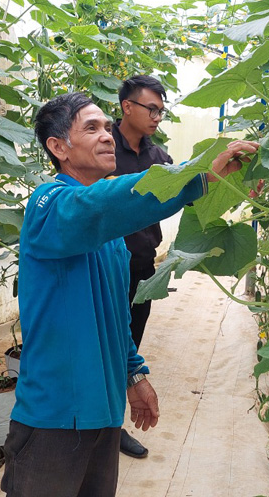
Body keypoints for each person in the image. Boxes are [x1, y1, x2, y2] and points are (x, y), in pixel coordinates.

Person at [1, 91, 258, 497]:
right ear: (57, 147)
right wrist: (197, 174)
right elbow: (103, 204)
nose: (107, 136)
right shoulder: (49, 206)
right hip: (53, 418)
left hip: (104, 416)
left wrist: (134, 374)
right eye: (91, 128)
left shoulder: (108, 233)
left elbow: (114, 313)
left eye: (107, 126)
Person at [109, 75, 172, 458]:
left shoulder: (158, 156)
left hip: (141, 265)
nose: (157, 117)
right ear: (127, 107)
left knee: (130, 341)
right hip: (102, 264)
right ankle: (96, 424)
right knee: (103, 342)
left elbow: (184, 191)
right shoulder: (101, 147)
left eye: (162, 111)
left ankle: (112, 427)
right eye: (152, 108)